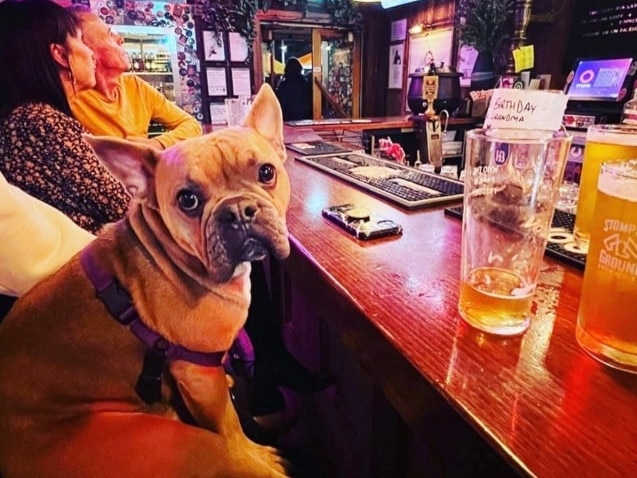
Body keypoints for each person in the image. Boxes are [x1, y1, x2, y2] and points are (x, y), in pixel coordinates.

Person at [0, 0, 130, 236]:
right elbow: (124, 205)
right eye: (81, 40)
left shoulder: (31, 118)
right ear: (60, 54)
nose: (91, 53)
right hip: (88, 267)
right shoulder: (37, 123)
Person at [67, 5, 202, 150]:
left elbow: (192, 125)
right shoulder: (70, 97)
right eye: (109, 34)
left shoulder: (135, 85)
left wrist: (156, 143)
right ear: (85, 50)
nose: (120, 39)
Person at [275, 57, 312, 121]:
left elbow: (279, 103)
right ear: (299, 69)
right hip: (304, 119)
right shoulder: (305, 84)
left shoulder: (283, 86)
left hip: (287, 119)